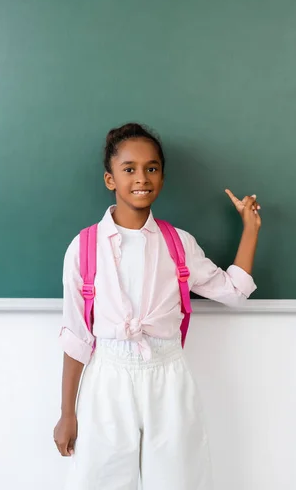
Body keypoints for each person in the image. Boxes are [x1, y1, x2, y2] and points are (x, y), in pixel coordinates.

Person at [54, 122, 261, 490]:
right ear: (110, 179)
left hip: (168, 377)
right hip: (107, 379)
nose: (142, 178)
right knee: (100, 480)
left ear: (162, 179)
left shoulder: (178, 244)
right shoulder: (84, 248)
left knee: (178, 479)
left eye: (152, 168)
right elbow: (76, 337)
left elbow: (233, 290)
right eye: (129, 169)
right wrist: (66, 413)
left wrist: (250, 229)